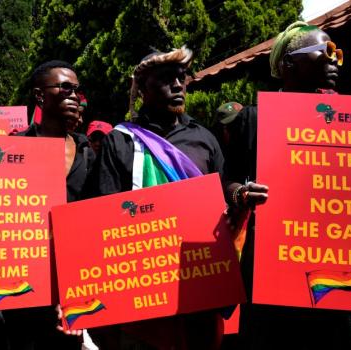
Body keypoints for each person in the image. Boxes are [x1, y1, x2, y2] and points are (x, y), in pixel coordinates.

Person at [87, 46, 267, 350]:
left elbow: (223, 186)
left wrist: (239, 193)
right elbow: (103, 217)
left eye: (181, 77)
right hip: (141, 289)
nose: (177, 85)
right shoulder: (121, 141)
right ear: (142, 88)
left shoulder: (204, 138)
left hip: (197, 283)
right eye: (166, 78)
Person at [224, 22, 351, 350]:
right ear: (290, 63)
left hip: (340, 263)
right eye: (325, 52)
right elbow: (228, 179)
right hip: (275, 266)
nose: (334, 61)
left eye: (337, 54)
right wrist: (242, 193)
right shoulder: (254, 120)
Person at [7, 59, 96, 349]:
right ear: (39, 96)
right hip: (23, 286)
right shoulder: (12, 151)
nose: (74, 96)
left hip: (74, 283)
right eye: (65, 87)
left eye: (77, 90)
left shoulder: (89, 153)